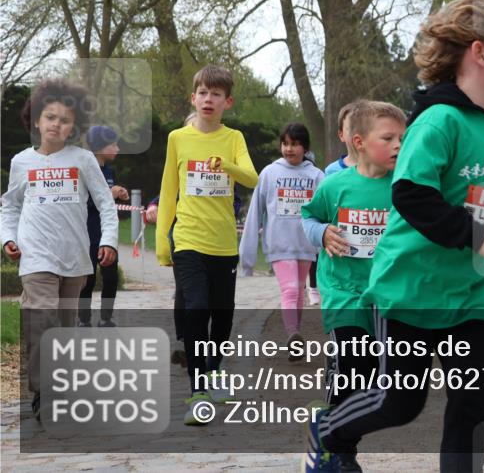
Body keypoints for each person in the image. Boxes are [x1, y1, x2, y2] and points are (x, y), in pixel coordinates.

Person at [301, 0, 484, 473]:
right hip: (410, 288)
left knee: (471, 407)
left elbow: (480, 197)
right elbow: (412, 196)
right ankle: (329, 431)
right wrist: (481, 237)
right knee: (400, 403)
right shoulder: (437, 121)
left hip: (471, 291)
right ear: (480, 52)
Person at [1, 79, 119, 421]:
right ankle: (44, 392)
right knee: (41, 318)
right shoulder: (22, 162)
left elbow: (105, 205)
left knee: (64, 327)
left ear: (74, 127)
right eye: (49, 117)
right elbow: (9, 206)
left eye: (64, 120)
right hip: (35, 255)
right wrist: (8, 236)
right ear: (36, 120)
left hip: (75, 258)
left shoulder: (83, 160)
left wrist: (109, 240)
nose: (56, 124)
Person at [300, 101, 406, 473]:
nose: (398, 145)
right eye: (389, 138)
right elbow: (308, 217)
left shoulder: (404, 187)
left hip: (386, 292)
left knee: (375, 378)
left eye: (402, 139)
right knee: (351, 363)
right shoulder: (335, 185)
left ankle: (341, 437)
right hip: (343, 289)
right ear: (358, 142)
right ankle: (337, 450)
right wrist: (323, 231)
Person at [154, 65, 259, 426]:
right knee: (196, 307)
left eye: (216, 94)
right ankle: (198, 387)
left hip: (223, 241)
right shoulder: (177, 139)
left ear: (227, 101)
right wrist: (162, 242)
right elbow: (169, 191)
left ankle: (214, 369)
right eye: (202, 92)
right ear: (193, 98)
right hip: (188, 238)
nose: (208, 99)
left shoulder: (234, 138)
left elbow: (252, 177)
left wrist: (226, 165)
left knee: (222, 314)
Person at [239, 122, 325, 354]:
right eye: (285, 143)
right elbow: (255, 212)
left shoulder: (317, 176)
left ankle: (294, 332)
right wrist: (247, 255)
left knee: (298, 292)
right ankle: (292, 334)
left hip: (305, 245)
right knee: (290, 291)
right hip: (279, 243)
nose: (289, 149)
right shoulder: (269, 173)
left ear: (305, 148)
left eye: (295, 144)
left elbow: (325, 211)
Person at [77, 125, 130, 327]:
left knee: (110, 277)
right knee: (88, 279)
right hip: (88, 232)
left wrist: (119, 195)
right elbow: (87, 202)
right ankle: (84, 319)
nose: (117, 148)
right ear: (100, 146)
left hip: (107, 234)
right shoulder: (84, 170)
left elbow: (107, 205)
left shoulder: (109, 171)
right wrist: (110, 193)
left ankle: (106, 318)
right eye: (113, 144)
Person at [316, 101, 362, 305]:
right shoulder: (331, 173)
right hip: (341, 261)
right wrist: (324, 233)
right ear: (341, 135)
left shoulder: (388, 172)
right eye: (349, 128)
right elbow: (317, 214)